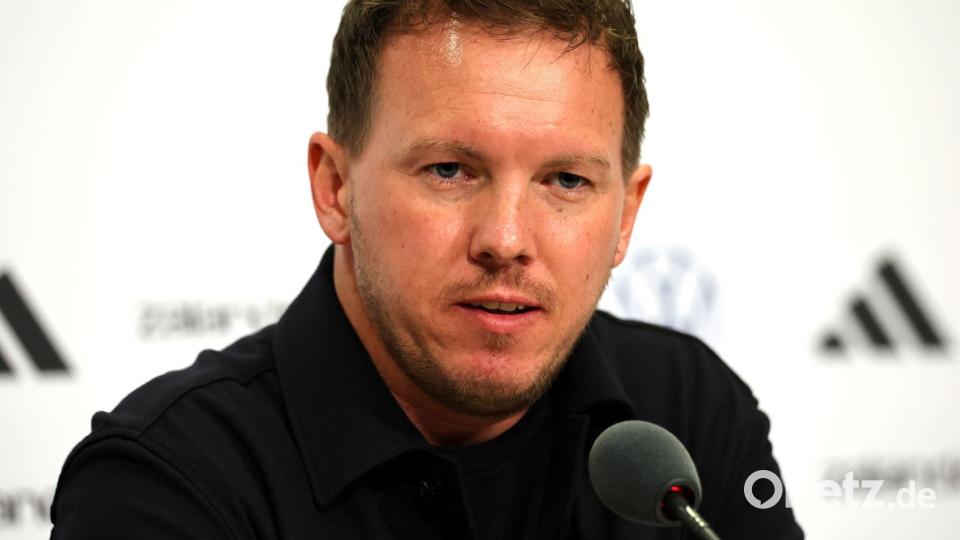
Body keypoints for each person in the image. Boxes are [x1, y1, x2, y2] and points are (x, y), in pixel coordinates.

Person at [50, 1, 803, 538]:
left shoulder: (689, 412)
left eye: (566, 181)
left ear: (626, 215)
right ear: (335, 188)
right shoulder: (169, 483)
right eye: (450, 170)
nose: (506, 239)